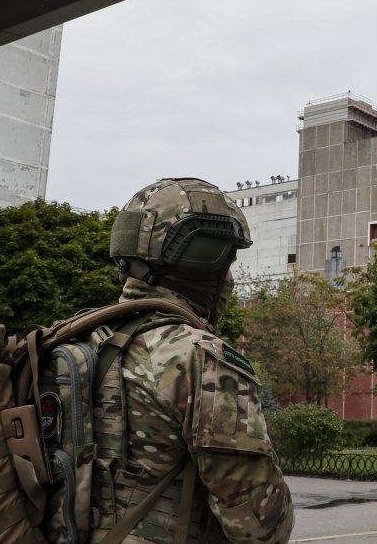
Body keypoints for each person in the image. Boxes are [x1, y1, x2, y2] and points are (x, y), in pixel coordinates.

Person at [99, 177, 293, 543]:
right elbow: (260, 525)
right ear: (204, 260)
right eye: (228, 263)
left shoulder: (81, 340)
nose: (231, 279)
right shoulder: (199, 358)